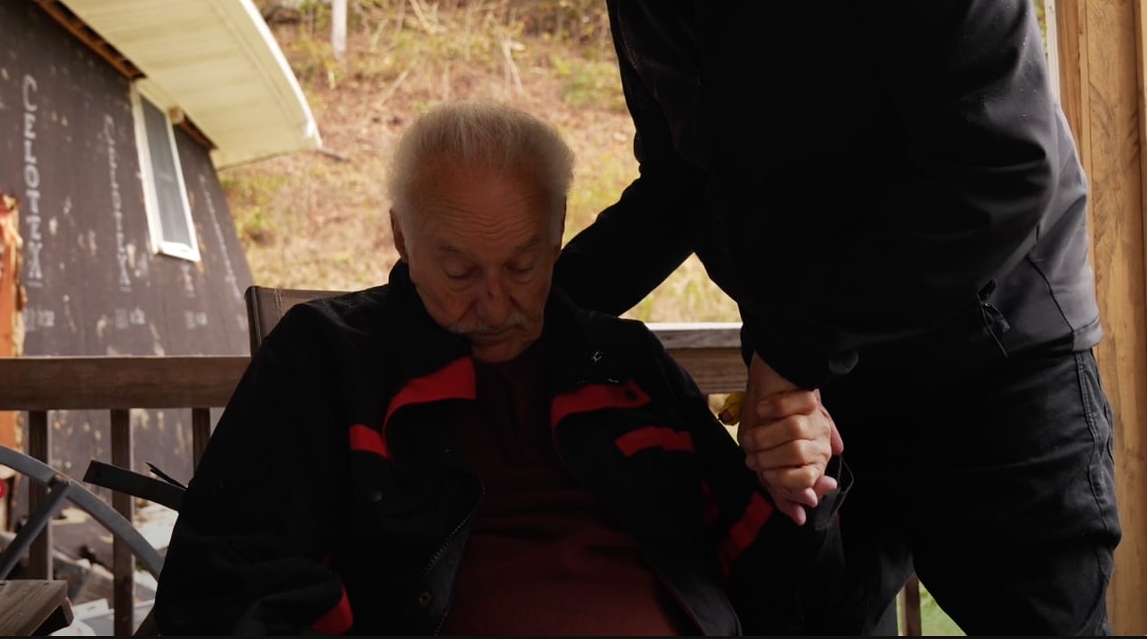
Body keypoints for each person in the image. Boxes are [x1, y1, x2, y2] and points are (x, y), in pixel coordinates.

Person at [478, 0, 1121, 636]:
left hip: (994, 385)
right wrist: (525, 306)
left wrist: (792, 347)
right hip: (821, 405)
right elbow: (679, 190)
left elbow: (1000, 167)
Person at [152, 100, 847, 636]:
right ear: (401, 236)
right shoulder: (330, 359)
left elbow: (775, 583)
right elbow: (231, 581)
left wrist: (794, 481)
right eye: (458, 271)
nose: (494, 305)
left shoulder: (624, 362)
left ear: (558, 231)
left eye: (523, 266)